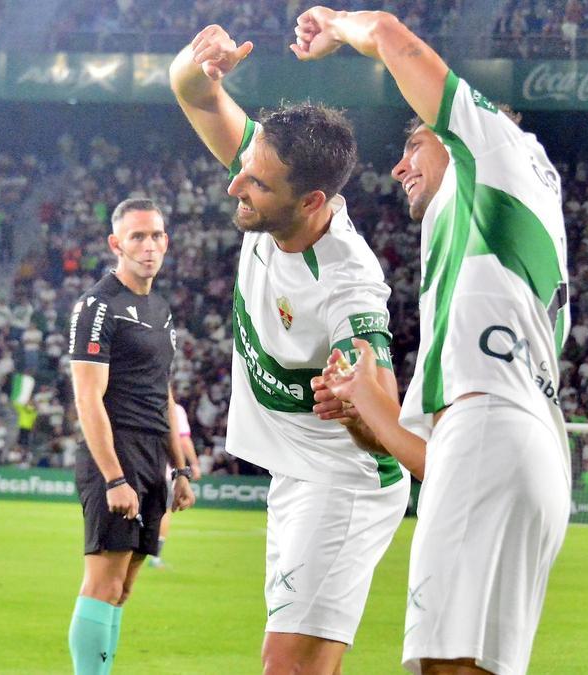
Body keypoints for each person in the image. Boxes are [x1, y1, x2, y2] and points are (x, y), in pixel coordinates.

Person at [294, 10, 572, 674]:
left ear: (455, 135)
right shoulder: (486, 242)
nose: (397, 168)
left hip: (492, 435)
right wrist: (369, 413)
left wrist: (334, 22)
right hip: (519, 448)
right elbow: (436, 457)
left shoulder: (497, 148)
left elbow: (393, 35)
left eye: (412, 145)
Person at [170, 26, 409, 674]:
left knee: (288, 668)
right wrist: (198, 65)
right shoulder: (266, 165)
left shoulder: (349, 280)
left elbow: (382, 402)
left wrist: (359, 403)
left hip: (344, 482)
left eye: (256, 184)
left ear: (310, 201)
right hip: (295, 472)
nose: (234, 186)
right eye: (245, 169)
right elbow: (191, 95)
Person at [66, 198, 195, 675]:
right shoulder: (98, 306)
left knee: (123, 587)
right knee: (102, 583)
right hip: (113, 456)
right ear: (115, 243)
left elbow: (163, 394)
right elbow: (87, 398)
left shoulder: (159, 309)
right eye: (137, 236)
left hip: (151, 457)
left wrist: (179, 467)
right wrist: (114, 477)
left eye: (156, 235)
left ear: (166, 242)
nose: (148, 245)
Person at [148, 390, 202, 570]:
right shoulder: (176, 410)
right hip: (163, 471)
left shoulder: (141, 402)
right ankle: (155, 557)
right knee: (164, 512)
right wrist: (193, 464)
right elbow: (184, 440)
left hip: (137, 467)